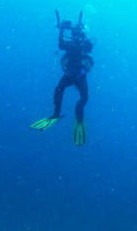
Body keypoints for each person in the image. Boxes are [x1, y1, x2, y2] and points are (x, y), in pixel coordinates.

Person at [30, 10, 94, 146]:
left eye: (78, 31)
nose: (76, 34)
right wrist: (61, 30)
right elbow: (60, 44)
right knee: (59, 89)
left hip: (80, 75)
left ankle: (79, 115)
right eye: (75, 31)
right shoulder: (70, 44)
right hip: (71, 74)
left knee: (83, 98)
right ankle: (56, 113)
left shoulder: (84, 42)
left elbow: (90, 47)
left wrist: (82, 39)